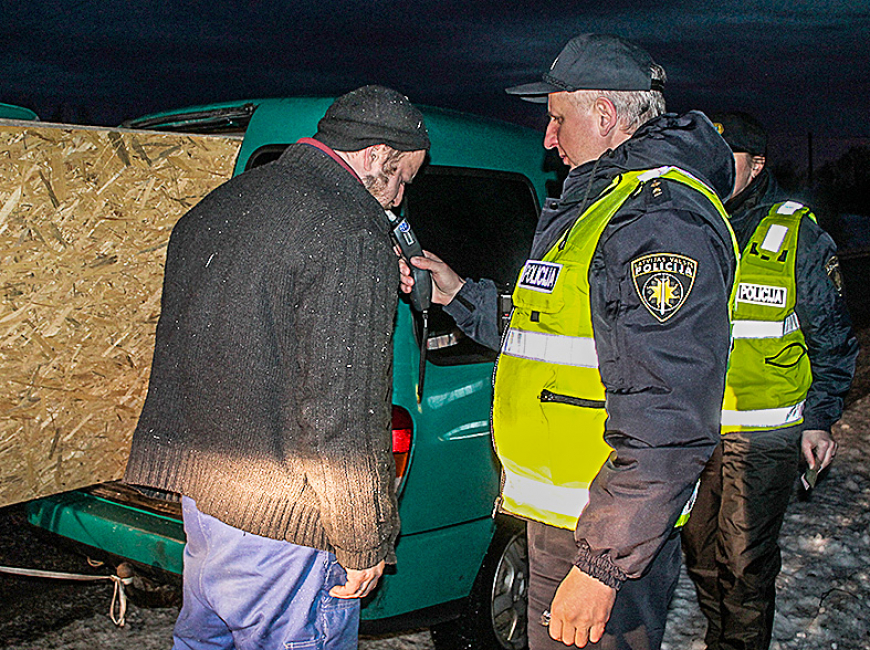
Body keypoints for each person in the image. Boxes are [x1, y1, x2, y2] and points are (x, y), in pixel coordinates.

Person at [401, 34, 738, 649]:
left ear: (605, 116)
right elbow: (555, 332)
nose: (548, 138)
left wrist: (604, 564)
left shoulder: (658, 220)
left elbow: (669, 409)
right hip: (570, 519)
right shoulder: (599, 206)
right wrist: (459, 296)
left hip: (604, 529)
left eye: (558, 118)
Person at [123, 85, 429, 650]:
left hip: (209, 507)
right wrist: (364, 539)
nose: (398, 200)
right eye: (402, 179)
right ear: (376, 155)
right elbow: (340, 410)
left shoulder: (218, 206)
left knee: (202, 641)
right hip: (284, 526)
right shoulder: (349, 234)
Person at [681, 112, 859, 650]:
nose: (710, 163)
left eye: (725, 153)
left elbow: (832, 336)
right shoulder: (690, 224)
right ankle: (724, 638)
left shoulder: (795, 234)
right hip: (698, 427)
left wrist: (821, 418)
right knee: (699, 550)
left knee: (744, 558)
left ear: (756, 165)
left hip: (765, 433)